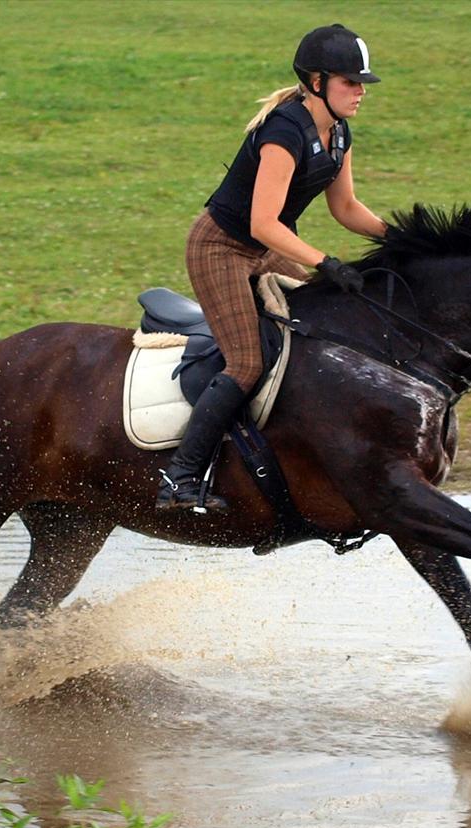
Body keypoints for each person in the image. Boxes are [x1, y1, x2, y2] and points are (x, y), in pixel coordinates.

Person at [156, 23, 389, 513]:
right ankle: (180, 477)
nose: (361, 91)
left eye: (363, 82)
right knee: (246, 363)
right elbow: (263, 222)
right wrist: (325, 262)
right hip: (221, 247)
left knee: (322, 326)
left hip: (267, 247)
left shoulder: (339, 133)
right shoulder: (285, 132)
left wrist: (401, 238)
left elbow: (345, 208)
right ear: (318, 81)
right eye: (352, 81)